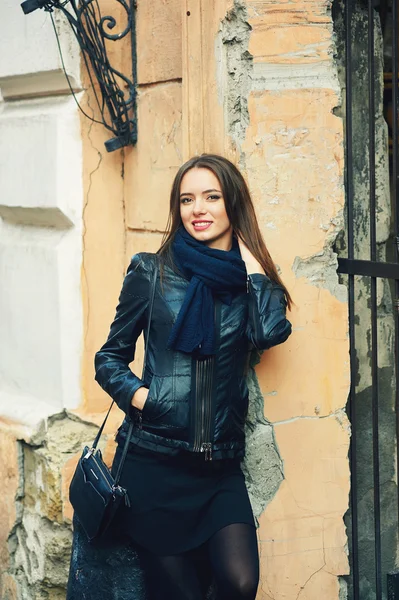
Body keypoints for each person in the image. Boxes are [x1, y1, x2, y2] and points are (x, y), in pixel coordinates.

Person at [94, 154, 292, 600]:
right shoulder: (152, 271)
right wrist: (146, 398)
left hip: (219, 469)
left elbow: (270, 332)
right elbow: (108, 359)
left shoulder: (248, 283)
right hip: (153, 463)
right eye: (186, 199)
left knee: (241, 583)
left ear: (232, 204)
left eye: (211, 197)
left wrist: (252, 265)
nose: (197, 209)